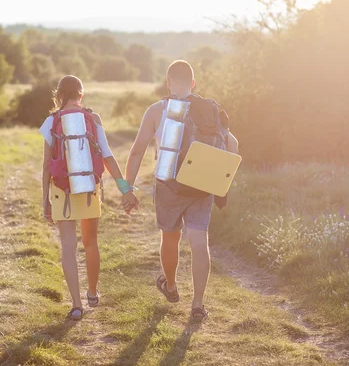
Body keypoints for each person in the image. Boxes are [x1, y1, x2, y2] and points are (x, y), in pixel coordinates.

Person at [125, 60, 239, 320]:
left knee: (170, 237)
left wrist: (127, 188)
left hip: (168, 185)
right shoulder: (210, 109)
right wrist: (222, 179)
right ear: (193, 83)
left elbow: (137, 150)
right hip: (202, 184)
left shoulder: (157, 110)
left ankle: (171, 285)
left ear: (168, 82)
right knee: (199, 242)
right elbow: (233, 144)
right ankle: (198, 305)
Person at [40, 75, 139, 320]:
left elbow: (45, 165)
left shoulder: (51, 121)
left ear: (59, 96)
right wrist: (125, 188)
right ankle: (92, 292)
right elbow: (107, 156)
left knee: (68, 248)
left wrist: (45, 199)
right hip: (89, 189)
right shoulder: (92, 119)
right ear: (81, 94)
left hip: (61, 190)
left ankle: (76, 304)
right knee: (90, 242)